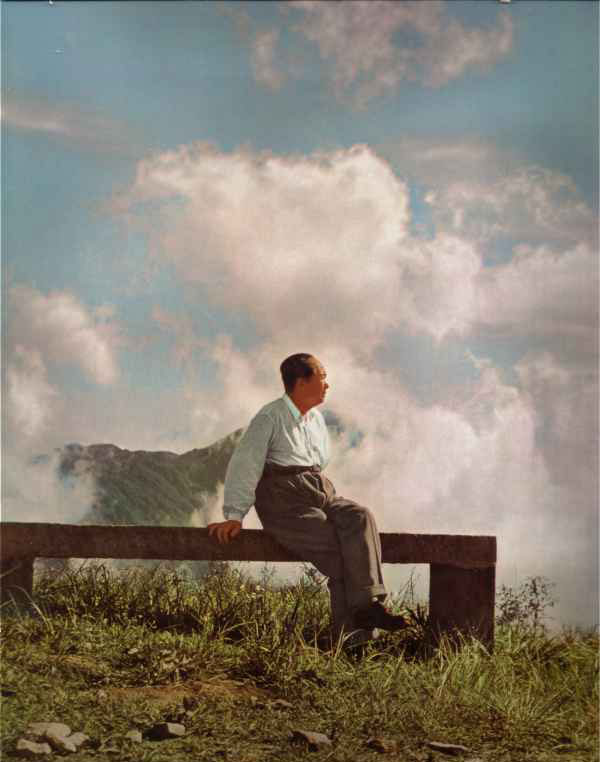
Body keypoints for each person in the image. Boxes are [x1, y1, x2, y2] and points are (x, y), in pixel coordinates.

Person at [207, 353, 406, 642]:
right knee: (341, 552)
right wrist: (235, 515)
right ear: (301, 383)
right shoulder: (269, 417)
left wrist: (314, 483)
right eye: (322, 377)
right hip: (283, 499)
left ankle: (366, 607)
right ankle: (355, 640)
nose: (327, 384)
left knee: (359, 516)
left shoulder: (316, 419)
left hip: (317, 487)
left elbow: (320, 460)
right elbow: (245, 464)